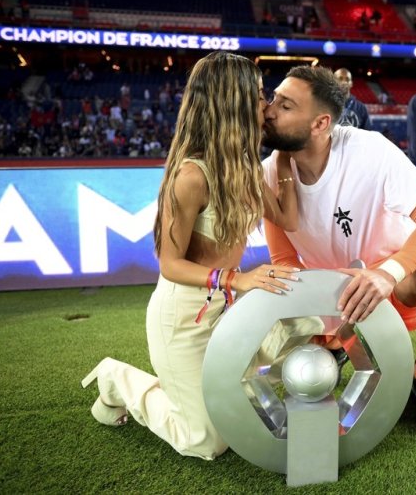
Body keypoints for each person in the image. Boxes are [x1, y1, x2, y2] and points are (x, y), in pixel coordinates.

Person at [80, 51, 301, 460]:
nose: (266, 106)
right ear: (231, 103)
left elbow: (286, 216)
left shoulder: (246, 166)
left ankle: (203, 387)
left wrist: (284, 155)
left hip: (226, 306)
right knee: (205, 441)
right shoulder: (191, 175)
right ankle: (116, 381)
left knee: (301, 321)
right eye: (257, 96)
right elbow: (169, 263)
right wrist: (238, 279)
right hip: (183, 317)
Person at [262, 66, 416, 432]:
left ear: (321, 124)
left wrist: (389, 272)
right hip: (326, 291)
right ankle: (337, 344)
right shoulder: (269, 174)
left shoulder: (370, 151)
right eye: (274, 99)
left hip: (386, 283)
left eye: (286, 106)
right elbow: (285, 262)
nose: (269, 110)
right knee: (279, 333)